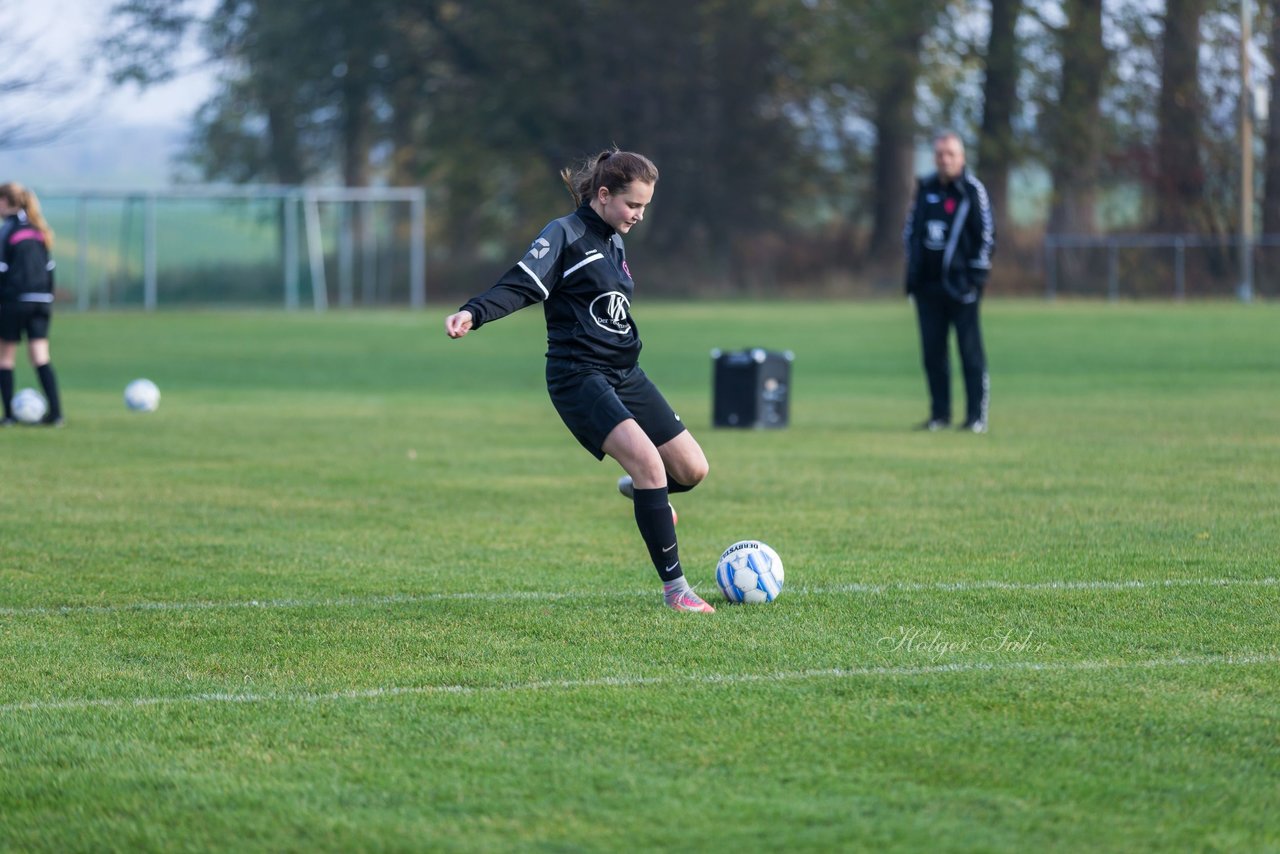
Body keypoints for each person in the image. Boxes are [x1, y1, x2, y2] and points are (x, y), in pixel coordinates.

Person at [444, 149, 715, 613]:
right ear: (604, 195)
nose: (639, 215)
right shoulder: (564, 234)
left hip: (626, 373)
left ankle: (644, 494)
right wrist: (474, 311)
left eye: (645, 207)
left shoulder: (615, 239)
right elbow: (521, 283)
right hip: (579, 375)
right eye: (633, 205)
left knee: (691, 470)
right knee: (651, 466)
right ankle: (677, 592)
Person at [902, 131, 995, 433]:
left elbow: (987, 237)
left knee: (970, 354)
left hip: (961, 287)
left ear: (961, 157)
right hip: (928, 288)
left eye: (951, 154)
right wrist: (913, 275)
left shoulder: (971, 190)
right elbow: (911, 232)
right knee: (933, 355)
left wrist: (975, 278)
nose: (945, 159)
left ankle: (975, 418)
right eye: (940, 154)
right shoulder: (925, 188)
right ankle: (939, 415)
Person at [0, 182, 63, 427]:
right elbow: (49, 269)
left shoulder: (8, 231)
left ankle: (9, 416)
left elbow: (2, 270)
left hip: (15, 301)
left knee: (5, 357)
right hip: (41, 302)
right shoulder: (39, 230)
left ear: (6, 201)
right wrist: (48, 297)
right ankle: (57, 414)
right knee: (40, 356)